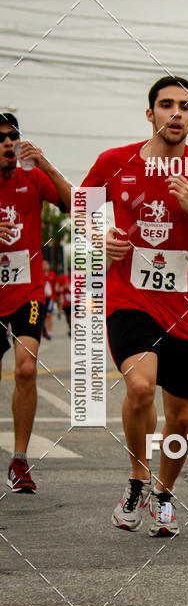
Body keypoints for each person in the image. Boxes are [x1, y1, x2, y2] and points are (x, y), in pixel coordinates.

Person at [80, 76, 188, 537]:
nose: (175, 113)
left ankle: (164, 494)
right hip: (130, 298)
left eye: (185, 106)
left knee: (182, 417)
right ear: (150, 114)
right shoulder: (114, 162)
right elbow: (82, 210)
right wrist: (98, 237)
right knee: (141, 388)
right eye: (166, 105)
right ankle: (137, 479)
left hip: (185, 308)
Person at [0, 113, 71, 493]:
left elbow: (80, 206)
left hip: (27, 291)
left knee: (26, 369)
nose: (9, 144)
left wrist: (46, 165)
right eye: (1, 139)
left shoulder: (32, 177)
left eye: (13, 137)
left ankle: (20, 460)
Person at [42, 259, 56, 340]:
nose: (44, 266)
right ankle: (44, 330)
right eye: (43, 264)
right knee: (42, 316)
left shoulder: (52, 274)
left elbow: (55, 284)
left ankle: (50, 331)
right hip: (42, 297)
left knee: (48, 314)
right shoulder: (40, 274)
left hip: (50, 297)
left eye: (46, 264)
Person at [55, 269, 72, 335]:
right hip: (67, 301)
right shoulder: (64, 278)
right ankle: (70, 327)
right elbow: (57, 287)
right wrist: (63, 287)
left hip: (75, 301)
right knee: (68, 317)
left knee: (73, 316)